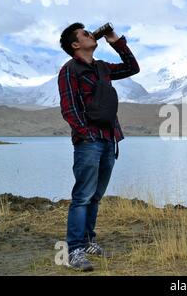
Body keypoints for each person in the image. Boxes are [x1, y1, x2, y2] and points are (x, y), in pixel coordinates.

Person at [58, 22, 139, 271]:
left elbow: (132, 67)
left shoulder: (102, 68)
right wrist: (86, 134)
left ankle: (89, 240)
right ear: (75, 45)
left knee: (95, 196)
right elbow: (69, 108)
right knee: (82, 197)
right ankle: (75, 251)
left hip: (108, 139)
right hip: (89, 142)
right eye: (84, 33)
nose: (90, 33)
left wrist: (114, 39)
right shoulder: (70, 70)